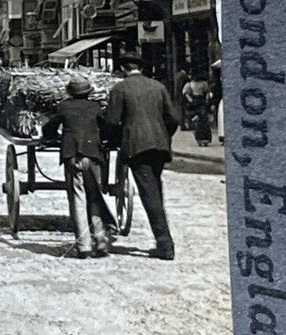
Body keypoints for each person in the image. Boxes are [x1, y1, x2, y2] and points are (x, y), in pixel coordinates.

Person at [104, 57, 181, 260]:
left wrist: (117, 142)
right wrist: (163, 135)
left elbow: (112, 122)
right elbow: (173, 118)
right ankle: (164, 240)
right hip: (160, 146)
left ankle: (165, 245)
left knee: (150, 194)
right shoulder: (158, 86)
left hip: (137, 147)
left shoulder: (120, 89)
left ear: (122, 69)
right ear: (141, 68)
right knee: (155, 188)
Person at [41, 74, 114, 258]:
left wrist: (51, 137)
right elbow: (106, 128)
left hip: (73, 156)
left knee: (78, 198)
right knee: (95, 196)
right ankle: (101, 240)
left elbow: (49, 127)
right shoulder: (96, 107)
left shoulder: (63, 107)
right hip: (92, 155)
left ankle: (84, 246)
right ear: (88, 92)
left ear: (70, 92)